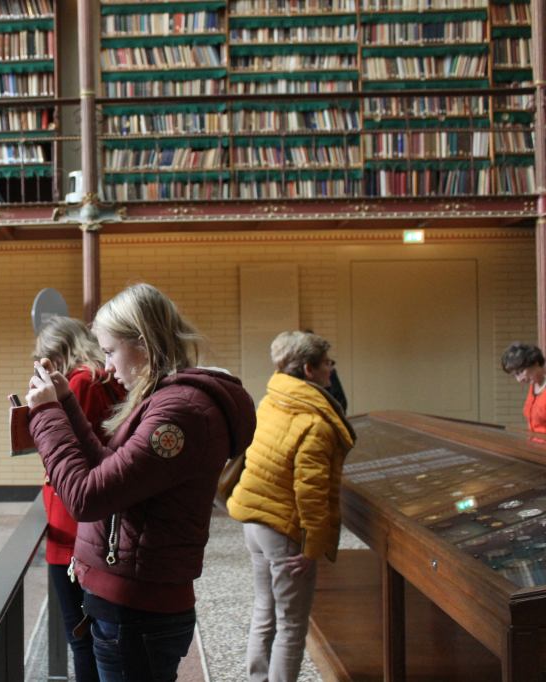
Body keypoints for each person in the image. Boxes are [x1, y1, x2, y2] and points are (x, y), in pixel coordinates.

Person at [25, 283, 256, 681]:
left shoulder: (178, 414)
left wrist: (45, 416)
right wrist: (65, 404)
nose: (108, 367)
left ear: (144, 344)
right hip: (132, 604)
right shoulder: (164, 400)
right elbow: (110, 470)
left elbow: (86, 497)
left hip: (138, 610)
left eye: (111, 351)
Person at [226, 331, 356, 682]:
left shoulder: (273, 399)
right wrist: (312, 547)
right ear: (310, 370)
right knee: (292, 624)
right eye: (327, 363)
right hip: (284, 529)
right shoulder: (314, 421)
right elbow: (310, 491)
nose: (331, 369)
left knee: (265, 610)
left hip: (254, 521)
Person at [32, 316, 125, 682]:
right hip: (92, 522)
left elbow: (72, 453)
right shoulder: (104, 378)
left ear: (57, 353)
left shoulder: (81, 382)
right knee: (96, 636)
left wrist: (40, 417)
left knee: (81, 635)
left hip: (71, 524)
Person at [501, 342, 546, 434]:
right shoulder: (533, 386)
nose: (519, 379)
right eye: (515, 375)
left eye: (521, 371)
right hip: (532, 446)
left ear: (535, 363)